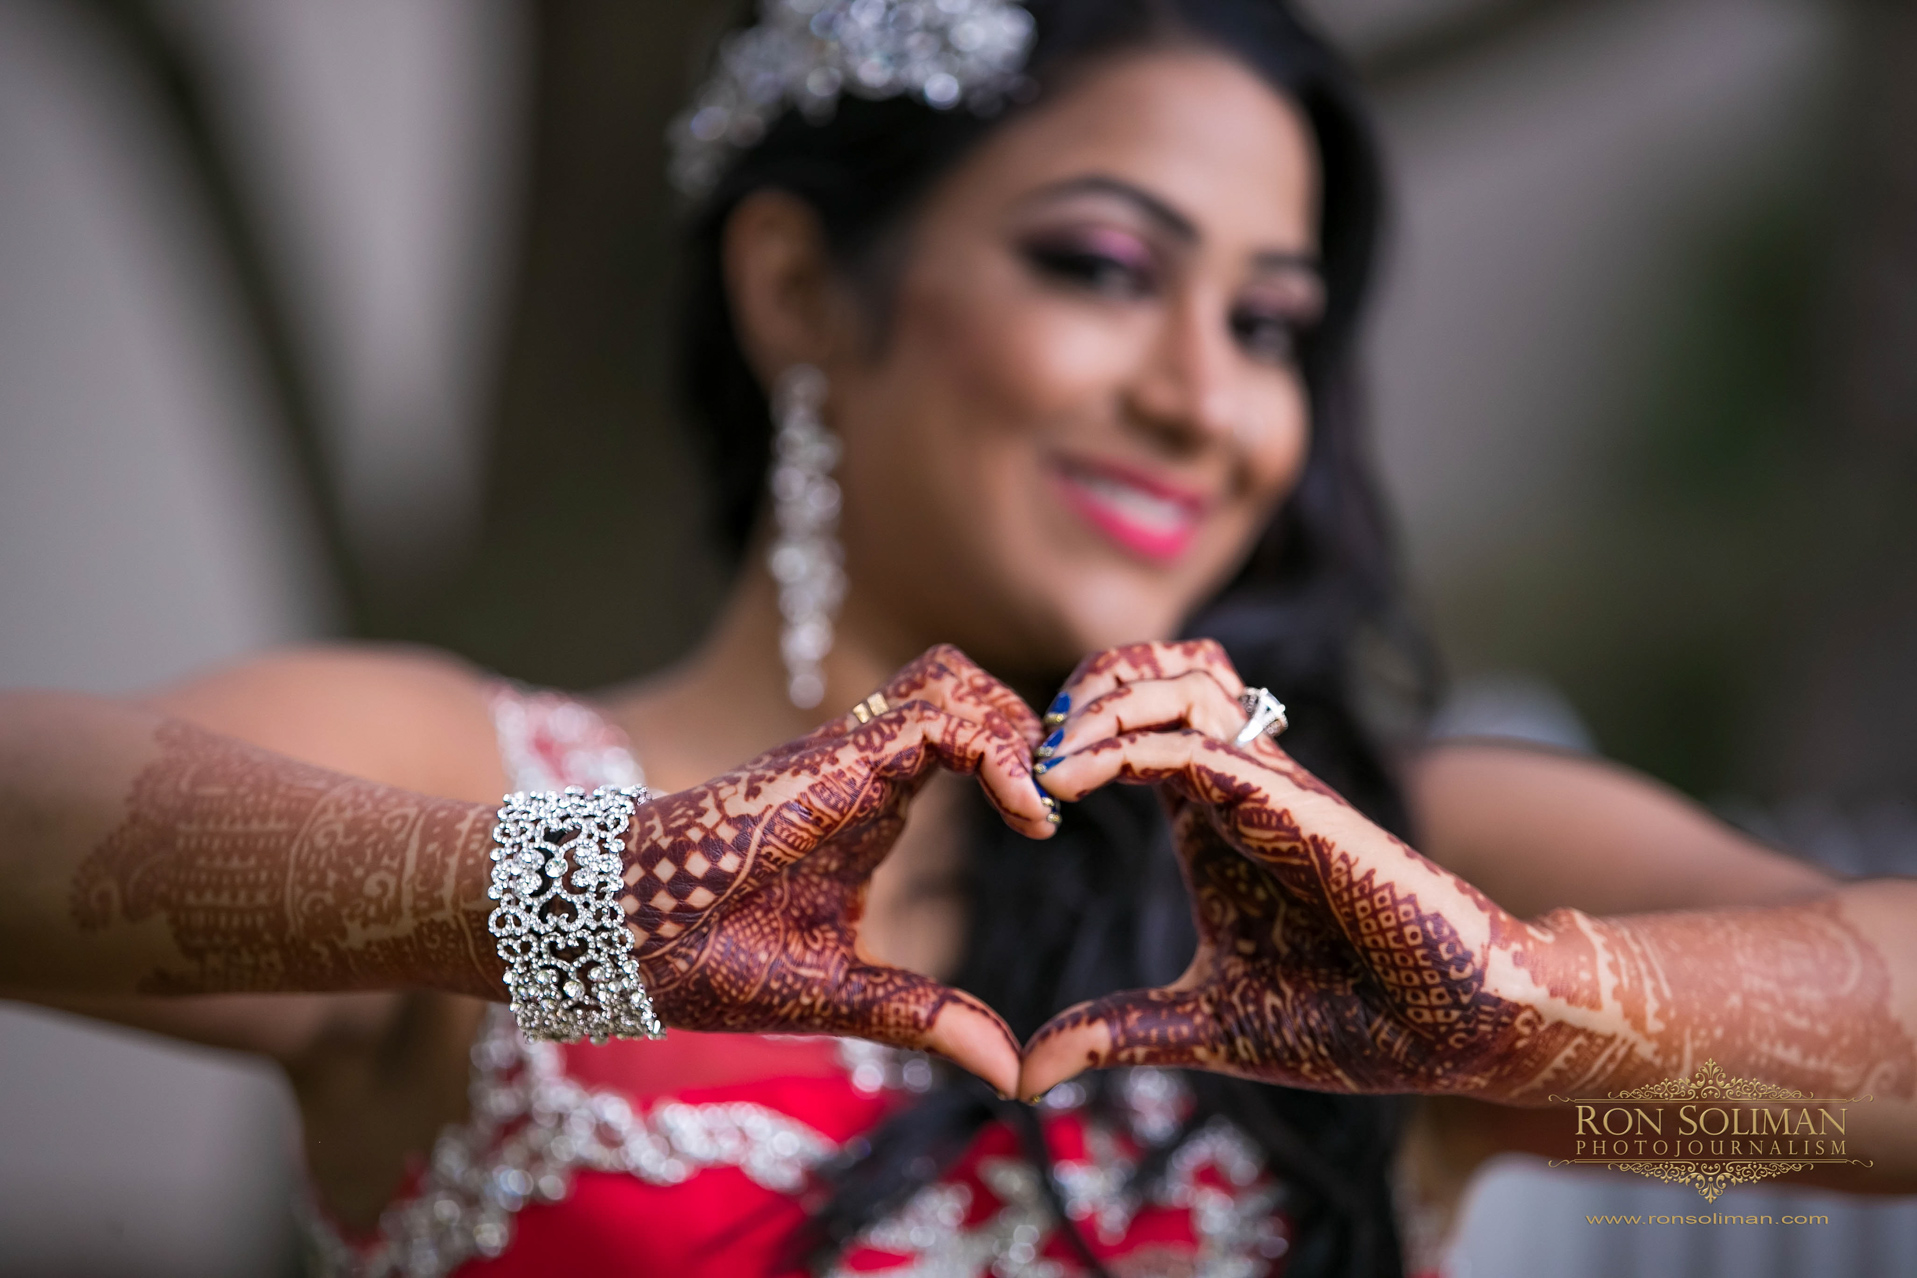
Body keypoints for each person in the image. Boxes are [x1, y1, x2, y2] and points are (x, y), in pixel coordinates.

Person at [1, 1, 1911, 1276]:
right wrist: (582, 898)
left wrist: (1518, 1007)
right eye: (1101, 267)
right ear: (801, 285)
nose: (1202, 395)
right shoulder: (480, 776)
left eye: (1269, 324)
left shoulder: (1414, 850)